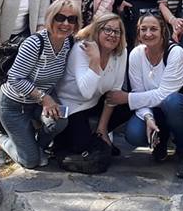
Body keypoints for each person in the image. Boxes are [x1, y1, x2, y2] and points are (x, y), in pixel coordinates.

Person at [105, 11, 183, 178]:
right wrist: (148, 118)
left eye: (153, 29)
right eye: (143, 29)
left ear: (162, 32)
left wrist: (127, 98)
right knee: (134, 135)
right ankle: (160, 138)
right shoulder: (136, 54)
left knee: (171, 102)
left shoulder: (175, 53)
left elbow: (163, 94)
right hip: (153, 110)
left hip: (179, 109)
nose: (148, 34)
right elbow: (139, 92)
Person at [0, 0, 80, 169]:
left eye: (71, 19)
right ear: (50, 18)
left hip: (39, 102)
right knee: (31, 162)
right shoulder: (35, 43)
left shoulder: (69, 43)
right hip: (14, 105)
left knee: (60, 121)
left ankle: (33, 146)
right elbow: (15, 78)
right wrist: (44, 98)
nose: (65, 23)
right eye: (60, 18)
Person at [53, 12, 128, 158]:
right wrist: (95, 58)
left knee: (127, 102)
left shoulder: (121, 52)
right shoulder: (82, 49)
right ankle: (67, 138)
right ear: (97, 30)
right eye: (107, 29)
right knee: (80, 146)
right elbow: (86, 91)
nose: (112, 35)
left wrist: (103, 129)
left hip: (93, 102)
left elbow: (115, 92)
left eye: (117, 31)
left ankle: (98, 132)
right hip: (72, 104)